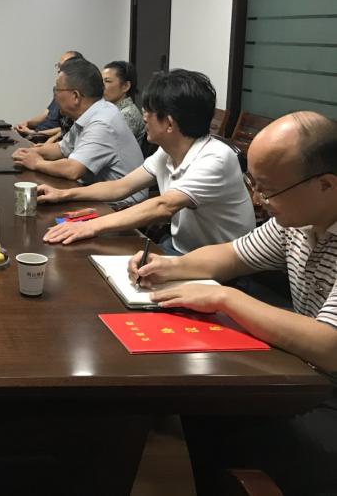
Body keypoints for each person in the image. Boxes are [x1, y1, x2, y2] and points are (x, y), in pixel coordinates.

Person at [128, 111, 337, 496]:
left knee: (226, 419)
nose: (258, 200)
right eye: (253, 185)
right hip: (310, 375)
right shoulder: (300, 220)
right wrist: (168, 266)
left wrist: (224, 296)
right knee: (204, 403)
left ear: (325, 184)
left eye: (268, 190)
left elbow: (329, 345)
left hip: (327, 389)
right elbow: (232, 255)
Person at [38, 69, 255, 254]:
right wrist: (64, 194)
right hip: (182, 248)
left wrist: (90, 227)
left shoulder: (215, 158)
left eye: (149, 111)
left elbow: (164, 206)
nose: (144, 117)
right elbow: (121, 186)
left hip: (221, 263)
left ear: (169, 124)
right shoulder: (168, 151)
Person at [12, 59, 146, 203]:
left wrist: (37, 163)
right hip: (96, 193)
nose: (54, 96)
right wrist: (31, 152)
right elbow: (62, 148)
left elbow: (72, 170)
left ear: (75, 96)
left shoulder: (102, 122)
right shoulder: (91, 112)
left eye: (57, 90)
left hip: (122, 205)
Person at [14, 50, 82, 142]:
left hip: (43, 137)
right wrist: (27, 123)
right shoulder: (59, 90)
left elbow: (67, 128)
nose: (59, 70)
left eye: (62, 66)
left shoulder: (76, 96)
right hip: (39, 134)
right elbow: (46, 115)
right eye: (58, 65)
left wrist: (34, 133)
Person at [102, 60, 145, 144]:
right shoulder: (111, 110)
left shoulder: (128, 115)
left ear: (125, 86)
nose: (101, 86)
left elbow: (106, 146)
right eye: (101, 81)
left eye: (107, 81)